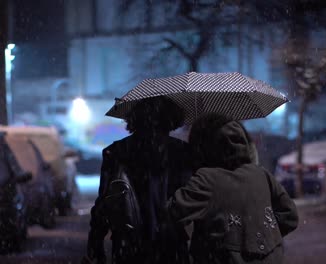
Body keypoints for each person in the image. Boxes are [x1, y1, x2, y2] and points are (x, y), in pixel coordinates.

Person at [168, 113, 298, 264]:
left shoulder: (206, 180)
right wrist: (263, 238)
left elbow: (172, 213)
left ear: (203, 145)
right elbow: (290, 216)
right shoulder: (261, 174)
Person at [83, 97, 191, 264]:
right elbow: (190, 198)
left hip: (129, 243)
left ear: (134, 118)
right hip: (170, 243)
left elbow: (105, 201)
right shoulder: (182, 152)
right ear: (170, 120)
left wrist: (95, 240)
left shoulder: (116, 152)